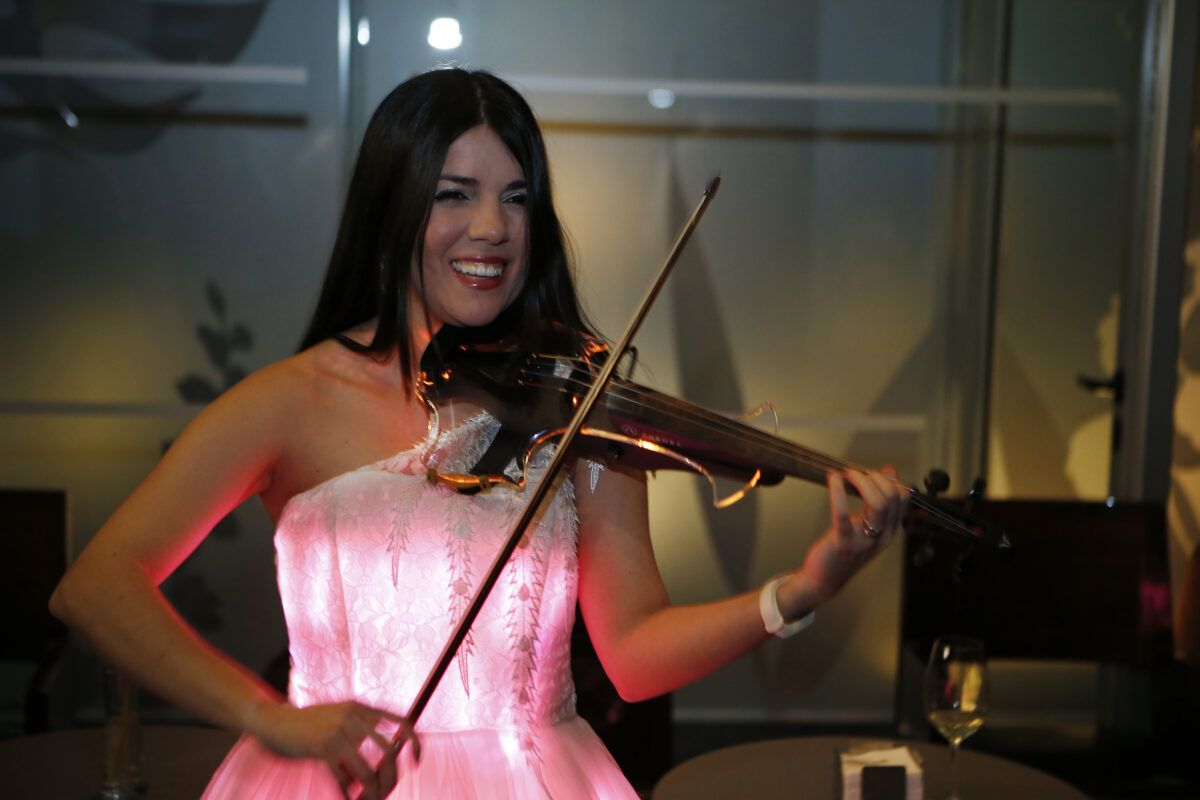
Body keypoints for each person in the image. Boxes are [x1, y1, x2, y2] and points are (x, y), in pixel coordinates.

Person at [50, 68, 906, 800]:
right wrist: (270, 717)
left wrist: (802, 590)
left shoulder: (575, 404)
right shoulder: (293, 400)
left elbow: (636, 656)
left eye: (516, 197)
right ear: (393, 210)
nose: (492, 229)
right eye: (454, 195)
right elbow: (96, 585)